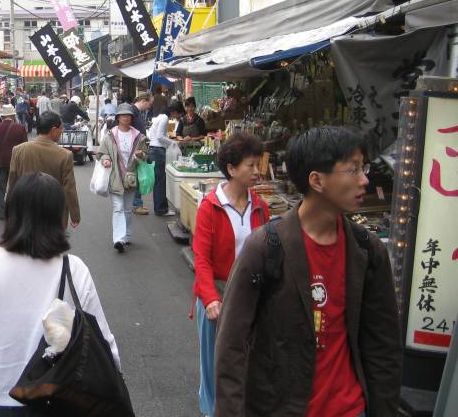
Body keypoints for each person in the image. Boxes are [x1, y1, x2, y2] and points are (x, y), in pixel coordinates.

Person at [215, 127, 402, 416]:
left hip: (351, 409)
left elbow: (383, 345)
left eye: (363, 168)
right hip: (281, 407)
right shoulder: (265, 248)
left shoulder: (368, 250)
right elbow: (231, 346)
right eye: (353, 169)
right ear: (317, 180)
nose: (364, 179)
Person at [0, 173, 120, 417]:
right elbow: (101, 337)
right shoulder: (73, 269)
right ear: (59, 217)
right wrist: (115, 377)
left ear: (11, 214)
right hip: (55, 394)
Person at [191, 133, 270, 417]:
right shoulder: (211, 206)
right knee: (215, 362)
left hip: (250, 295)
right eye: (251, 165)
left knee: (247, 358)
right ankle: (212, 410)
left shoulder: (260, 206)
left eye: (257, 164)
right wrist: (211, 298)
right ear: (232, 169)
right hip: (218, 293)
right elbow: (201, 258)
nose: (257, 171)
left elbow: (267, 255)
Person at [8, 111, 81, 228]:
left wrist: (10, 208)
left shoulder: (18, 150)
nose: (62, 131)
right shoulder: (64, 155)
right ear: (53, 130)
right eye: (61, 128)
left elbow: (12, 181)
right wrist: (75, 215)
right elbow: (69, 188)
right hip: (53, 210)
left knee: (27, 242)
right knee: (50, 243)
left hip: (25, 208)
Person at [97, 104, 149, 253]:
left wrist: (141, 155)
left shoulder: (139, 136)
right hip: (115, 176)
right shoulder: (110, 135)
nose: (126, 117)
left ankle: (126, 235)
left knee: (127, 209)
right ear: (118, 117)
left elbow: (146, 154)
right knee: (118, 208)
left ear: (131, 118)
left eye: (128, 115)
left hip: (131, 177)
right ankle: (118, 239)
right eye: (123, 115)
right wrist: (106, 159)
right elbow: (102, 153)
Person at [0, 104, 28, 220]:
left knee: (0, 188)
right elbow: (25, 146)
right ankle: (15, 213)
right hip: (16, 162)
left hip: (1, 162)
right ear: (12, 115)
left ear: (2, 116)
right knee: (16, 187)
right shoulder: (20, 128)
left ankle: (1, 214)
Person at [147, 102, 185, 217]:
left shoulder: (160, 117)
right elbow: (160, 136)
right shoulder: (164, 118)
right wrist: (173, 142)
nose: (178, 117)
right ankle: (161, 209)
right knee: (160, 181)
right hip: (158, 150)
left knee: (159, 180)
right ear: (174, 111)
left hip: (154, 149)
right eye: (178, 114)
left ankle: (160, 208)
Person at [130, 92, 153, 216]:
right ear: (144, 101)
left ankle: (136, 203)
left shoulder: (137, 112)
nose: (149, 107)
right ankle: (136, 204)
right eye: (149, 104)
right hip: (135, 149)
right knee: (136, 176)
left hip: (139, 149)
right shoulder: (132, 111)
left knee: (138, 176)